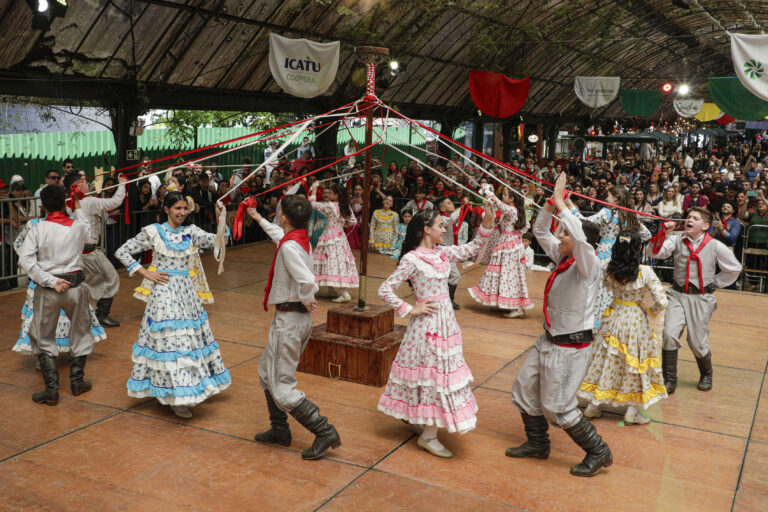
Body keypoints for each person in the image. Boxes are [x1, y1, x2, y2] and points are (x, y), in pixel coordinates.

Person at [506, 172, 611, 478]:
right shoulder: (562, 256)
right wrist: (552, 205)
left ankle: (598, 451)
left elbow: (579, 237)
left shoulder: (588, 265)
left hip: (571, 348)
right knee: (523, 390)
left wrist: (564, 204)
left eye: (563, 234)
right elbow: (540, 229)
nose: (560, 237)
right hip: (549, 341)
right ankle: (538, 443)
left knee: (559, 407)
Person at [377, 202, 496, 458]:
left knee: (436, 376)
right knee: (433, 378)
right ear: (426, 229)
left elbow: (472, 248)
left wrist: (487, 221)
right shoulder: (412, 258)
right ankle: (428, 436)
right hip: (427, 327)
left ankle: (422, 422)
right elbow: (385, 289)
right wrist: (411, 309)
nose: (445, 229)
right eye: (441, 226)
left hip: (446, 323)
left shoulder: (442, 253)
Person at [115, 191, 231, 418]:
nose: (182, 212)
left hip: (187, 293)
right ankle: (174, 395)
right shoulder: (154, 231)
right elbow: (122, 251)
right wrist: (145, 273)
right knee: (169, 342)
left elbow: (218, 240)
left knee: (187, 341)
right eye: (177, 208)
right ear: (166, 209)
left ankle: (182, 392)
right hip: (164, 293)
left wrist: (220, 218)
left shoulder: (191, 232)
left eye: (185, 208)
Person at [246, 196, 342, 460]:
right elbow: (281, 236)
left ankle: (325, 431)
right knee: (267, 372)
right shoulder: (299, 239)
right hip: (296, 319)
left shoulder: (290, 247)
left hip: (289, 320)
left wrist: (308, 298)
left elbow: (308, 281)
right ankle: (280, 430)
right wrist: (257, 217)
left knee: (281, 387)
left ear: (285, 217)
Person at [578, 231, 669, 425]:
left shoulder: (609, 269)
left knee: (606, 361)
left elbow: (607, 286)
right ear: (638, 249)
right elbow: (662, 301)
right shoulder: (645, 272)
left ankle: (592, 406)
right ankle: (631, 411)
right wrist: (650, 311)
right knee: (635, 364)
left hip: (614, 316)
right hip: (635, 320)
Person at [648, 207, 742, 393]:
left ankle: (706, 373)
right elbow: (654, 253)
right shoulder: (676, 239)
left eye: (695, 218)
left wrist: (715, 282)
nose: (689, 219)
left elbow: (734, 268)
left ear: (705, 226)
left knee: (697, 342)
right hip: (677, 295)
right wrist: (663, 233)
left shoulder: (714, 245)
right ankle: (670, 379)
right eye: (688, 217)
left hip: (701, 298)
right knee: (669, 334)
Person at [17, 185, 94, 406]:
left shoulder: (38, 228)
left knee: (42, 334)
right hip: (76, 286)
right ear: (64, 204)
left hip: (49, 289)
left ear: (42, 206)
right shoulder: (78, 226)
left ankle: (52, 390)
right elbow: (90, 233)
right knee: (80, 331)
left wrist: (51, 280)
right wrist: (77, 203)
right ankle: (77, 382)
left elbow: (25, 261)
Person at [12, 216, 106, 358]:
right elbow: (19, 244)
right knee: (43, 321)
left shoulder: (74, 223)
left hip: (66, 281)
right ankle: (46, 358)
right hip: (44, 280)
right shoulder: (35, 224)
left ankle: (68, 352)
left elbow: (87, 240)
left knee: (70, 321)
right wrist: (33, 262)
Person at [577, 186, 651, 328]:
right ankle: (609, 323)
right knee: (612, 291)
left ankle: (593, 323)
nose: (606, 199)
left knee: (598, 289)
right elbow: (647, 234)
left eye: (608, 196)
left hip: (603, 256)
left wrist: (570, 209)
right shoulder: (630, 216)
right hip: (620, 257)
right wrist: (628, 243)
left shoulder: (607, 213)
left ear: (616, 198)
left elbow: (585, 222)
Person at [63, 171, 127, 328]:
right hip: (88, 252)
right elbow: (114, 202)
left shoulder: (68, 202)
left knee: (81, 285)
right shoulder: (89, 201)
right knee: (111, 278)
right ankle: (101, 314)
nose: (89, 184)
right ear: (77, 186)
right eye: (85, 182)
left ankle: (89, 314)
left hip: (75, 252)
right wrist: (123, 184)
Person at [469, 188, 534, 318]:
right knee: (503, 274)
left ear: (512, 198)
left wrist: (489, 193)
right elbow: (524, 226)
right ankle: (506, 304)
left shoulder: (512, 210)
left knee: (509, 275)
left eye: (505, 194)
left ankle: (517, 307)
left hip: (510, 245)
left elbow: (501, 206)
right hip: (507, 243)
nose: (502, 196)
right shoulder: (512, 211)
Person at [308, 181, 359, 303]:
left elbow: (312, 204)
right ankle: (333, 290)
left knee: (331, 261)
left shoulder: (330, 205)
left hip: (330, 236)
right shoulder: (345, 206)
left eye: (331, 193)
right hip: (340, 237)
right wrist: (342, 224)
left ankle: (343, 293)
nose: (329, 194)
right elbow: (353, 221)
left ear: (336, 195)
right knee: (335, 261)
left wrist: (314, 190)